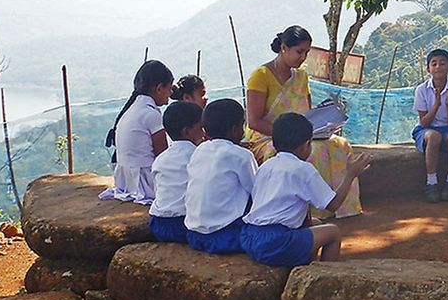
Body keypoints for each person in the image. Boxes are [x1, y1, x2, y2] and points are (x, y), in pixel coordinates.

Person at [244, 26, 362, 218]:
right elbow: (254, 121)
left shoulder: (301, 76)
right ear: (283, 48)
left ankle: (343, 208)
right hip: (269, 138)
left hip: (301, 134)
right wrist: (288, 135)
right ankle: (313, 214)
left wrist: (322, 127)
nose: (303, 57)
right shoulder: (261, 76)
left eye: (306, 52)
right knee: (312, 153)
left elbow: (308, 113)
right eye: (299, 52)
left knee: (340, 145)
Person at [241, 113, 373, 266]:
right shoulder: (303, 169)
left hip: (250, 236)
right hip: (276, 242)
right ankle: (322, 275)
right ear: (306, 145)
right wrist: (350, 174)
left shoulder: (266, 166)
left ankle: (304, 266)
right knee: (333, 232)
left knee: (314, 222)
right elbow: (333, 204)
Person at [184, 99, 257, 254]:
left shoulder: (199, 150)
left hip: (193, 235)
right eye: (242, 125)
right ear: (235, 129)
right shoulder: (242, 156)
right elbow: (257, 191)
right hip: (227, 236)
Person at [99, 60, 174, 204]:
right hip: (145, 182)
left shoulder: (132, 109)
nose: (169, 95)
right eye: (169, 89)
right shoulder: (151, 114)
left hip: (126, 181)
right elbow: (162, 157)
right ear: (159, 88)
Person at [413, 49, 448, 203]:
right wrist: (436, 104)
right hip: (426, 129)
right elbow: (424, 122)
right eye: (434, 64)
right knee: (434, 137)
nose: (438, 67)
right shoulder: (422, 90)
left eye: (442, 63)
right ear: (429, 68)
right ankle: (431, 183)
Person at [148, 101, 204, 243]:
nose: (204, 132)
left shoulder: (160, 159)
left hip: (158, 224)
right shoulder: (198, 157)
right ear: (186, 131)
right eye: (200, 127)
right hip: (183, 224)